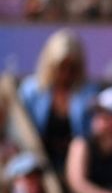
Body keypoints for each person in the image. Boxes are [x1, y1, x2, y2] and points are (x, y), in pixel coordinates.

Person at [19, 29, 96, 171]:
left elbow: (90, 135)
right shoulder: (31, 91)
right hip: (37, 160)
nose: (66, 74)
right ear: (51, 64)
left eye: (71, 67)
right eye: (61, 67)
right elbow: (22, 132)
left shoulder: (88, 93)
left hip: (77, 165)